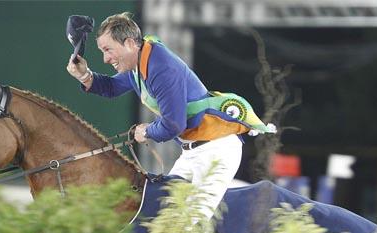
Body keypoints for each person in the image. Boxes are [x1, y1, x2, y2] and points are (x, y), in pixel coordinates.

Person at [66, 12, 270, 221]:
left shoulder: (160, 67)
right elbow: (111, 87)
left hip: (216, 151)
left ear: (128, 43)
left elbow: (173, 124)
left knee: (190, 224)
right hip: (193, 151)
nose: (105, 58)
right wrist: (84, 75)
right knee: (168, 222)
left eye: (108, 50)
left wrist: (147, 131)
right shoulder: (139, 61)